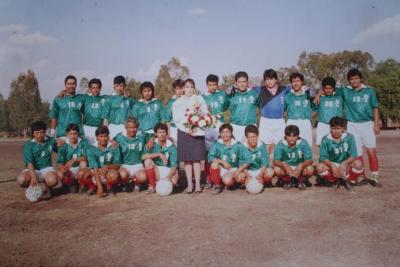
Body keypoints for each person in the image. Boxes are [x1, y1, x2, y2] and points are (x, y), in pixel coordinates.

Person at [336, 68, 381, 186]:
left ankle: (375, 176)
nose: (354, 81)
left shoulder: (369, 91)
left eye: (356, 78)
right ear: (349, 81)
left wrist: (376, 124)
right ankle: (361, 176)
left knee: (371, 151)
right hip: (352, 125)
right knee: (357, 153)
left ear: (360, 78)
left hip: (367, 124)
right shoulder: (345, 91)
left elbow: (375, 108)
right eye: (351, 79)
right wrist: (319, 94)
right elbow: (329, 89)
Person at [172, 79, 208, 193]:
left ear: (194, 88)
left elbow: (205, 113)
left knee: (196, 160)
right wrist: (188, 129)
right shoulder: (177, 102)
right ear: (183, 88)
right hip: (184, 132)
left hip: (197, 131)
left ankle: (197, 184)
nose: (189, 89)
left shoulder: (199, 99)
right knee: (187, 160)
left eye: (191, 87)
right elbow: (177, 119)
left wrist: (198, 117)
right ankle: (190, 184)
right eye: (186, 87)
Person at [17, 121, 61, 200]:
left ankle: (48, 188)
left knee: (53, 181)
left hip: (46, 168)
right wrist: (33, 176)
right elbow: (29, 162)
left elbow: (60, 151)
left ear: (45, 132)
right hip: (34, 169)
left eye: (42, 132)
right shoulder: (28, 145)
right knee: (21, 180)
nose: (40, 135)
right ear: (33, 133)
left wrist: (63, 143)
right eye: (37, 133)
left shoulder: (50, 141)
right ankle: (34, 188)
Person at [316, 116, 364, 189]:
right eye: (334, 128)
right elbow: (323, 158)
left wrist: (345, 163)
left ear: (342, 128)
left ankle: (349, 179)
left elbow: (354, 155)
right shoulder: (325, 139)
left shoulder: (349, 137)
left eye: (338, 128)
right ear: (330, 128)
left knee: (359, 164)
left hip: (345, 163)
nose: (336, 131)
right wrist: (332, 165)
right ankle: (334, 180)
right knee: (319, 167)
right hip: (332, 163)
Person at [202, 74, 229, 189]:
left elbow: (226, 106)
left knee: (220, 151)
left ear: (217, 85)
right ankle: (208, 178)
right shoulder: (203, 97)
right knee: (208, 153)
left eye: (214, 84)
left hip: (219, 126)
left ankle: (219, 177)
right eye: (210, 85)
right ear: (207, 85)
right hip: (208, 127)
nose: (212, 87)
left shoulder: (222, 95)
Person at [255, 69, 290, 158]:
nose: (269, 81)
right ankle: (266, 167)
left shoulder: (284, 89)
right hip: (265, 121)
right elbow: (247, 88)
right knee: (266, 146)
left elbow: (297, 87)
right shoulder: (260, 89)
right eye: (267, 79)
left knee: (280, 145)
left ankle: (278, 168)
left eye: (271, 79)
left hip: (279, 121)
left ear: (276, 79)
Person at [208, 123, 251, 194]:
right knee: (214, 164)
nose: (225, 135)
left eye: (227, 132)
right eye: (222, 132)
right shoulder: (216, 143)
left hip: (233, 169)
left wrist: (239, 170)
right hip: (221, 169)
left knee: (228, 181)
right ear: (220, 134)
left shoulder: (238, 145)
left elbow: (248, 159)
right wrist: (222, 161)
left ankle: (234, 181)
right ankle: (217, 185)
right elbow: (210, 157)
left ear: (231, 133)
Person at [273, 125, 314, 190]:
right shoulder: (281, 144)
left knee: (310, 169)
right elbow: (275, 161)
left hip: (299, 167)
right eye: (289, 136)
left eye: (294, 136)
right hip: (287, 168)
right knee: (276, 169)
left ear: (297, 136)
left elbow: (310, 160)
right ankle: (286, 180)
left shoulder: (303, 143)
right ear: (285, 136)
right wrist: (284, 165)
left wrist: (301, 165)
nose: (291, 138)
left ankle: (301, 180)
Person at [142, 123, 179, 193]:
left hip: (169, 169)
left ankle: (160, 183)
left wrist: (169, 176)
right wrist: (158, 154)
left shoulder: (172, 146)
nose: (162, 134)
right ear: (156, 134)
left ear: (166, 133)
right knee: (147, 161)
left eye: (164, 132)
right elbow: (143, 156)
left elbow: (174, 167)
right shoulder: (151, 144)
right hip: (157, 170)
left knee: (173, 182)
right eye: (159, 132)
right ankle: (152, 186)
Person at [113, 117, 148, 193]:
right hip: (125, 165)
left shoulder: (142, 136)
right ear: (126, 127)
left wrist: (151, 140)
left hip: (138, 165)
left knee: (143, 177)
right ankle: (125, 183)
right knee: (122, 175)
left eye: (134, 127)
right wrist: (113, 141)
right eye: (130, 127)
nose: (132, 130)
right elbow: (111, 141)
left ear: (137, 127)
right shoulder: (120, 137)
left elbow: (154, 136)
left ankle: (136, 183)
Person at [85, 126, 121, 197]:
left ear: (108, 137)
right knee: (83, 174)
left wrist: (107, 166)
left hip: (108, 171)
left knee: (114, 175)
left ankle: (110, 187)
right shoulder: (91, 148)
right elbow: (94, 167)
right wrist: (99, 187)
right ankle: (93, 187)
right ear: (97, 138)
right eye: (101, 136)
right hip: (96, 172)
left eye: (105, 136)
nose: (103, 139)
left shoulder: (113, 147)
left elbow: (118, 164)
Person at [56, 123, 89, 193]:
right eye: (70, 134)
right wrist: (64, 169)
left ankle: (81, 183)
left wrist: (74, 160)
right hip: (69, 170)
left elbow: (86, 157)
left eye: (75, 133)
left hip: (80, 169)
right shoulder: (64, 145)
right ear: (67, 134)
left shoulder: (84, 142)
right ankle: (69, 184)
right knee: (60, 173)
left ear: (78, 134)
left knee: (83, 162)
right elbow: (60, 162)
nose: (73, 136)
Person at [228, 71, 259, 142]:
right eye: (239, 82)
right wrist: (229, 89)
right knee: (237, 150)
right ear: (236, 83)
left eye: (244, 81)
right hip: (236, 127)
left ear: (247, 82)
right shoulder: (231, 94)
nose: (242, 84)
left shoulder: (254, 94)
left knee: (251, 149)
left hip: (251, 126)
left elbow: (262, 106)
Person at [285, 72, 314, 146]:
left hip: (305, 123)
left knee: (307, 147)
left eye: (298, 81)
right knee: (291, 147)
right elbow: (283, 109)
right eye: (293, 81)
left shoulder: (309, 94)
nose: (296, 83)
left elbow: (316, 107)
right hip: (292, 122)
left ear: (302, 82)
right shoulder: (288, 96)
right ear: (291, 83)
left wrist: (308, 117)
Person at [314, 77, 344, 146]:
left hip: (336, 125)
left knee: (336, 146)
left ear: (334, 88)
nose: (328, 90)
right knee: (321, 146)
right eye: (326, 88)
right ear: (323, 88)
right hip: (323, 124)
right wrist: (318, 95)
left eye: (330, 88)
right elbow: (313, 105)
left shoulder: (339, 96)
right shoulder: (321, 98)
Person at [82, 78, 106, 145]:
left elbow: (115, 96)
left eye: (97, 88)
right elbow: (73, 96)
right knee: (86, 150)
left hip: (99, 128)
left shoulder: (105, 98)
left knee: (97, 149)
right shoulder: (85, 98)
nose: (95, 90)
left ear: (100, 88)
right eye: (93, 88)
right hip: (87, 128)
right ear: (90, 89)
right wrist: (64, 91)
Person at [165, 79, 184, 144]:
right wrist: (168, 134)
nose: (180, 91)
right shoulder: (171, 102)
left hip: (185, 129)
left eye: (181, 88)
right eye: (177, 88)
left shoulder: (188, 100)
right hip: (174, 129)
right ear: (175, 89)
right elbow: (168, 120)